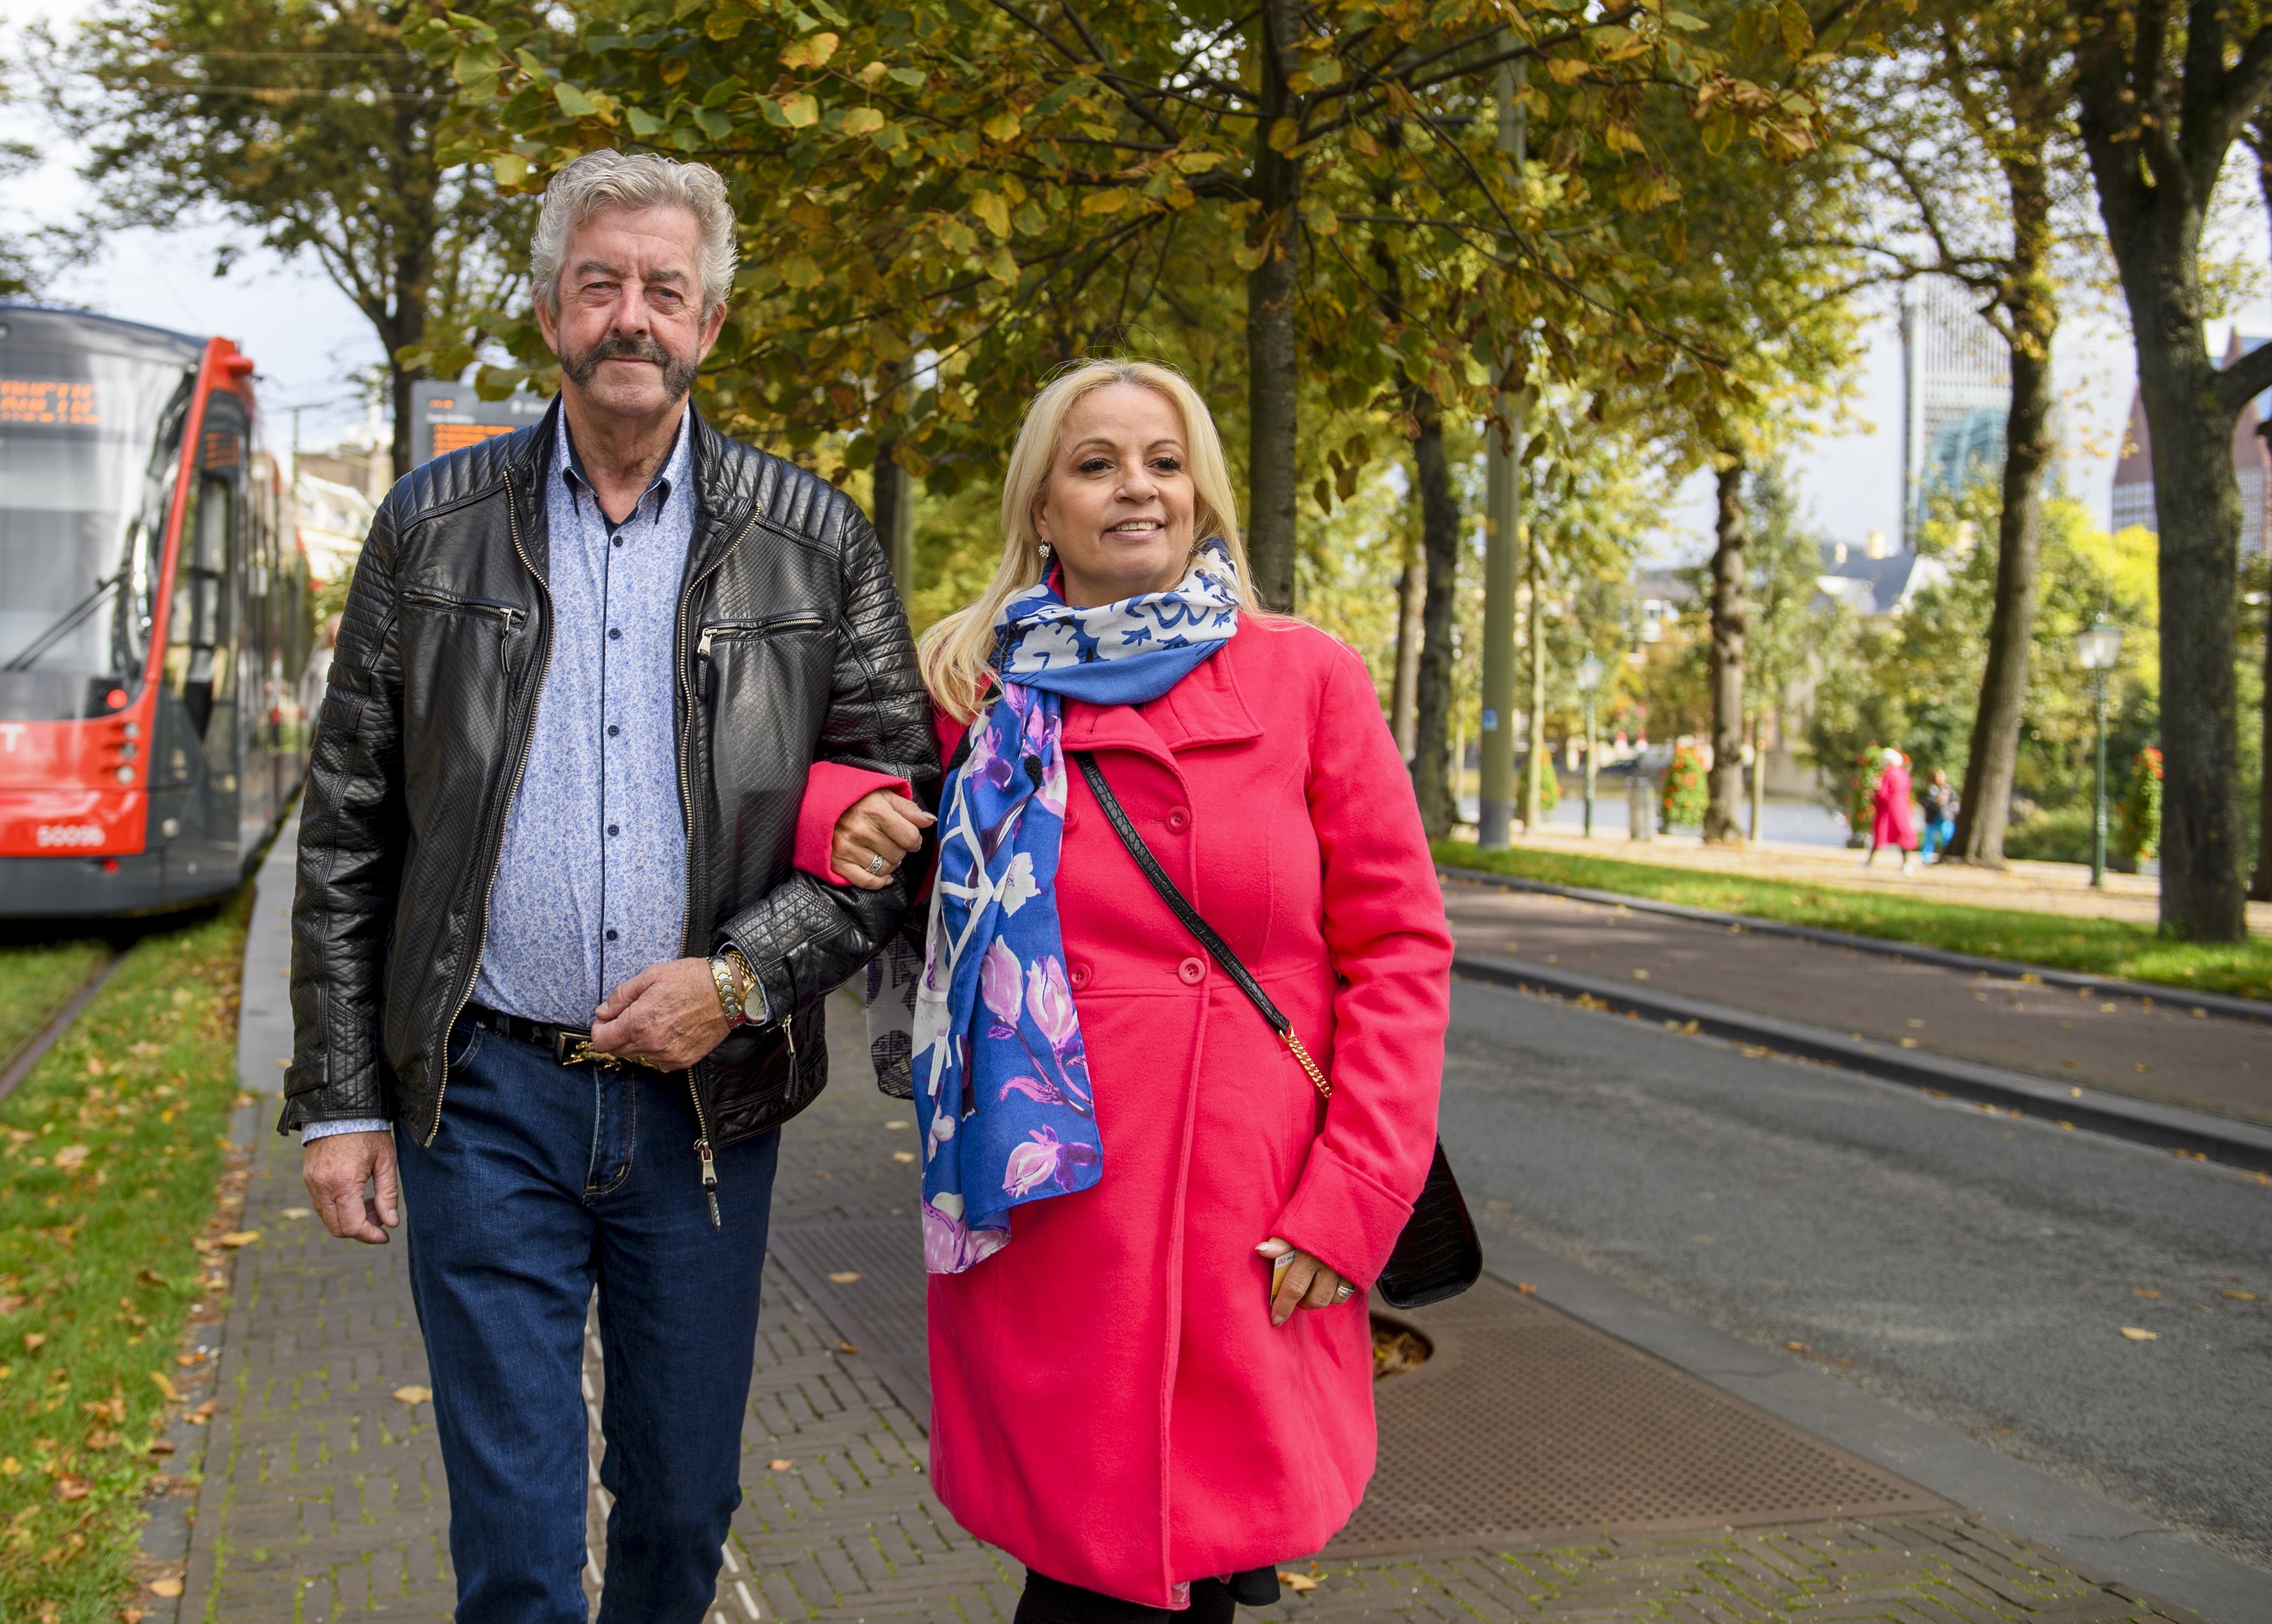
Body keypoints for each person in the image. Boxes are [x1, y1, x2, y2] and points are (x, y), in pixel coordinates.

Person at [282, 150, 938, 1623]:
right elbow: (347, 826)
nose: (630, 315)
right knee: (515, 1537)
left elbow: (894, 824)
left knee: (679, 1505)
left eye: (663, 288)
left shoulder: (815, 540)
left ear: (708, 321)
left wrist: (742, 980)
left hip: (705, 1108)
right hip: (482, 1096)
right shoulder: (427, 525)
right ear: (547, 313)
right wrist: (339, 1099)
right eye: (600, 285)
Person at [797, 361, 1453, 1622]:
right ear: (1042, 506)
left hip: (1250, 1198)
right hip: (1048, 1192)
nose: (1134, 486)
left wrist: (1352, 1198)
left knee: (1184, 1558)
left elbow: (1398, 949)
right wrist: (846, 812)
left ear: (1201, 495)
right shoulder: (972, 690)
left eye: (1162, 459)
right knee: (1090, 1561)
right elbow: (832, 790)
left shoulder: (1305, 676)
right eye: (1095, 463)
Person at [1865, 746, 1918, 873]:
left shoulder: (1888, 773)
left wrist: (1874, 793)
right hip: (1902, 807)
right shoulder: (1903, 773)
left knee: (1881, 833)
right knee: (1903, 834)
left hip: (1889, 808)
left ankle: (1870, 862)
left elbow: (1883, 793)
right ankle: (1906, 863)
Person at [1920, 767, 1958, 866]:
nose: (1941, 778)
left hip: (1946, 817)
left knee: (1947, 837)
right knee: (1929, 839)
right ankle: (1926, 859)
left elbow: (1955, 803)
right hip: (1933, 818)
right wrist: (1936, 802)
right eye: (1939, 776)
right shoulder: (1931, 790)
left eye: (1942, 776)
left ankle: (1946, 856)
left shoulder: (1950, 790)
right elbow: (1925, 802)